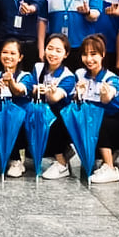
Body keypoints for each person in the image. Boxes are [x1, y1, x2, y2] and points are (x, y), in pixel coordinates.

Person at [72, 34, 119, 184]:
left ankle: (110, 166)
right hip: (89, 127)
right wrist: (78, 94)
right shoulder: (79, 74)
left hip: (111, 125)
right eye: (85, 54)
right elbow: (76, 102)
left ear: (103, 54)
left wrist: (105, 95)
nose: (89, 59)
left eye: (93, 54)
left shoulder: (111, 78)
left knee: (99, 119)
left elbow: (109, 96)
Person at [26, 33, 77, 179]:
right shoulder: (38, 67)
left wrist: (49, 92)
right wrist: (36, 89)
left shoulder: (68, 76)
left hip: (62, 119)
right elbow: (29, 87)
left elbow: (55, 99)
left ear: (66, 54)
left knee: (51, 117)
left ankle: (62, 164)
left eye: (58, 50)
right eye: (50, 48)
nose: (53, 53)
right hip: (41, 110)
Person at [0, 39, 30, 178]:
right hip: (0, 117)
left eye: (13, 53)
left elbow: (19, 91)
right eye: (5, 52)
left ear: (20, 57)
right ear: (0, 55)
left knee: (12, 118)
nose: (8, 56)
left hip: (21, 121)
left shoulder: (26, 76)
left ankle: (16, 160)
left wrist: (11, 82)